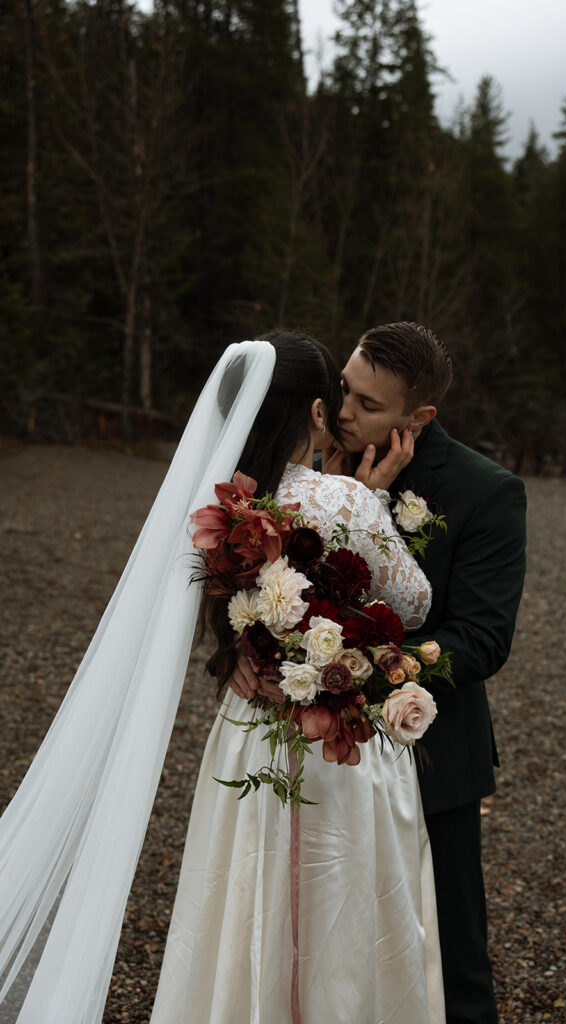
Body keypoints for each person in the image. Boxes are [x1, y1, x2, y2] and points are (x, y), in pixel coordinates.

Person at [0, 331, 445, 1023]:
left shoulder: (218, 509)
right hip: (329, 741)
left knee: (242, 907)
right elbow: (414, 602)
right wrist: (369, 499)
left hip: (246, 732)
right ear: (317, 413)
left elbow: (209, 608)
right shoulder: (344, 501)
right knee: (339, 917)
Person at [230, 322, 527, 1024]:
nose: (343, 413)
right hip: (312, 755)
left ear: (418, 417)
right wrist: (249, 651)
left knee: (446, 956)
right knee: (314, 947)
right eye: (343, 391)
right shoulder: (300, 470)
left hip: (428, 752)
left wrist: (357, 672)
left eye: (368, 405)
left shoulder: (487, 491)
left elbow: (480, 640)